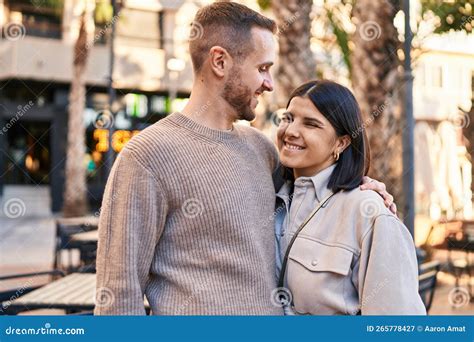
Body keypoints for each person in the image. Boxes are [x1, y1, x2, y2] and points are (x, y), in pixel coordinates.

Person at [95, 2, 393, 315]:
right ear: (220, 61)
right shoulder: (146, 156)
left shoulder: (262, 150)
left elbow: (314, 188)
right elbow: (118, 296)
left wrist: (362, 184)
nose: (270, 83)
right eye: (263, 68)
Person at [275, 80, 426, 315]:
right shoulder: (269, 193)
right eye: (288, 118)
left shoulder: (368, 212)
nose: (291, 131)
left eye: (311, 124)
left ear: (342, 142)